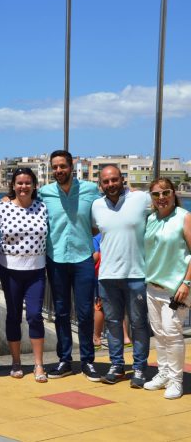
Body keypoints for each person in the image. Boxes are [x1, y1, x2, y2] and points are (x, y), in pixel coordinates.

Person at [40, 150, 101, 381]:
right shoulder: (45, 193)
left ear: (71, 166)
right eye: (55, 167)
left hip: (83, 258)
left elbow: (102, 218)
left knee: (85, 313)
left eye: (62, 166)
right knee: (62, 313)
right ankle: (65, 360)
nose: (58, 171)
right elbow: (23, 202)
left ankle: (87, 361)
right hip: (55, 260)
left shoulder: (90, 190)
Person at [91, 165, 151, 388]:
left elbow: (165, 209)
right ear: (101, 184)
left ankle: (139, 368)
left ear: (122, 180)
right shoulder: (96, 205)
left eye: (114, 180)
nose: (111, 185)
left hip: (137, 274)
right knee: (113, 323)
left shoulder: (141, 199)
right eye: (106, 182)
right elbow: (91, 230)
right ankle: (117, 366)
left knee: (138, 324)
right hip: (107, 276)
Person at [0, 168, 49, 382]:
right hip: (10, 270)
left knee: (35, 315)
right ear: (13, 185)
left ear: (34, 185)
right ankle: (16, 362)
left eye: (27, 183)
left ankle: (38, 364)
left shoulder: (42, 207)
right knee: (13, 316)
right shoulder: (3, 207)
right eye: (19, 183)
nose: (23, 187)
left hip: (36, 270)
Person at [143, 178, 191, 399]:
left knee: (172, 334)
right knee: (160, 334)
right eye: (156, 194)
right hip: (153, 286)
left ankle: (176, 380)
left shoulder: (184, 217)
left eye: (165, 193)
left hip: (176, 289)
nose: (161, 198)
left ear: (173, 193)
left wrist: (187, 283)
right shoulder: (151, 219)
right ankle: (163, 373)